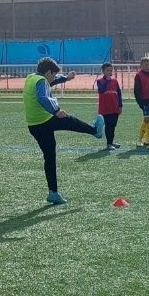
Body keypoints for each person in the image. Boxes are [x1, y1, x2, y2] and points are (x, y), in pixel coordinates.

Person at [24, 57, 105, 205]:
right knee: (70, 121)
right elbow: (43, 98)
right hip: (45, 121)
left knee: (49, 158)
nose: (54, 77)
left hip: (34, 125)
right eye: (53, 74)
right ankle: (95, 131)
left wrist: (65, 78)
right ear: (48, 72)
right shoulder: (41, 81)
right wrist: (56, 111)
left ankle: (53, 193)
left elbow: (51, 82)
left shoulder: (32, 78)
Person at [95, 62, 123, 150]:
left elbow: (119, 94)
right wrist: (107, 81)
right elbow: (102, 90)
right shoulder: (99, 81)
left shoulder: (115, 81)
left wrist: (120, 105)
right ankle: (109, 144)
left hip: (114, 108)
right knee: (109, 125)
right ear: (103, 71)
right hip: (105, 109)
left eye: (111, 70)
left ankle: (111, 141)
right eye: (107, 70)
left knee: (113, 125)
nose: (109, 72)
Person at [132, 56, 149, 146]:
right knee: (146, 119)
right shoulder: (138, 75)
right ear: (141, 66)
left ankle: (147, 140)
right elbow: (137, 91)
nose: (147, 67)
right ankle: (140, 140)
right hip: (145, 101)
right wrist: (140, 103)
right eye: (145, 65)